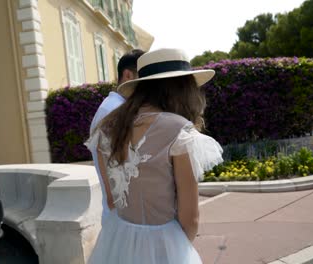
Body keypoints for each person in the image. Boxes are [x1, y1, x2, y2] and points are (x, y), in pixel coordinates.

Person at [85, 48, 223, 264]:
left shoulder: (107, 127)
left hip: (117, 240)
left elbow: (112, 199)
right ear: (181, 88)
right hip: (164, 244)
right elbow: (190, 219)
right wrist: (174, 250)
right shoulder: (179, 132)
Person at [89, 49, 145, 223]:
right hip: (123, 217)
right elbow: (117, 171)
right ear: (128, 75)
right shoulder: (114, 111)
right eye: (143, 78)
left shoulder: (115, 107)